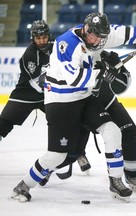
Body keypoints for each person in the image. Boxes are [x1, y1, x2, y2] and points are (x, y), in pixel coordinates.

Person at [11, 12, 136, 202]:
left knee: (113, 130)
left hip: (84, 97)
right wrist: (102, 72)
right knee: (56, 155)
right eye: (92, 34)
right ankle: (23, 185)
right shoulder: (66, 43)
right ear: (85, 28)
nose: (95, 40)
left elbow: (125, 33)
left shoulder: (99, 36)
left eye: (99, 37)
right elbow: (73, 79)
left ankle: (115, 181)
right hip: (61, 101)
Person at [0, 19, 91, 174]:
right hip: (26, 94)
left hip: (49, 95)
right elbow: (37, 83)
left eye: (44, 37)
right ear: (33, 38)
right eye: (38, 38)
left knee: (77, 121)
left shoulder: (58, 46)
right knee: (4, 122)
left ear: (48, 35)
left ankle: (79, 153)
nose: (41, 40)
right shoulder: (29, 55)